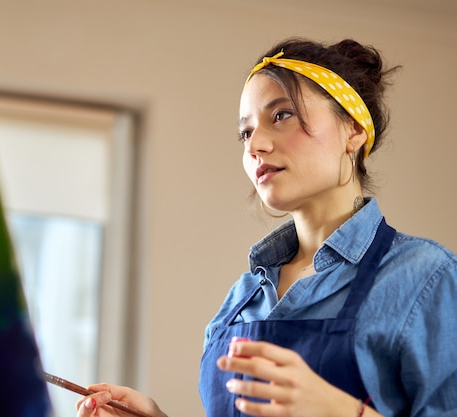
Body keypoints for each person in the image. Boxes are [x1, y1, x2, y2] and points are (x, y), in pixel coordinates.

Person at [74, 38, 457, 417]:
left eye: (281, 115)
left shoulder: (426, 277)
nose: (255, 144)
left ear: (354, 129)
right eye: (245, 132)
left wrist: (343, 412)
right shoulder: (241, 299)